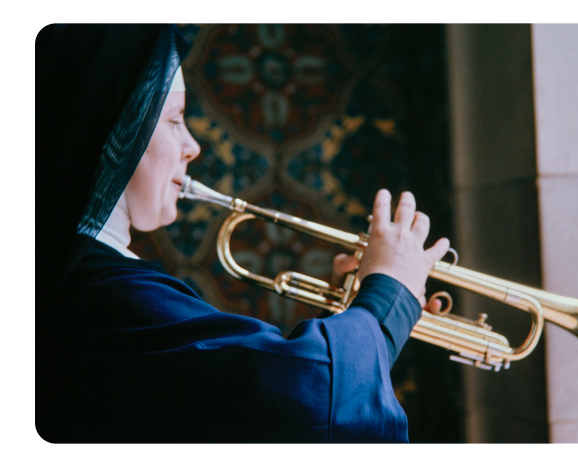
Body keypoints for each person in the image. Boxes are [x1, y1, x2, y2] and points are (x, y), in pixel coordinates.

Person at [35, 24, 449, 443]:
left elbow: (247, 405)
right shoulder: (105, 292)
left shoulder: (88, 280)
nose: (192, 146)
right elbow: (311, 393)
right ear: (118, 128)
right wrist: (388, 294)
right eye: (175, 119)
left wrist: (357, 316)